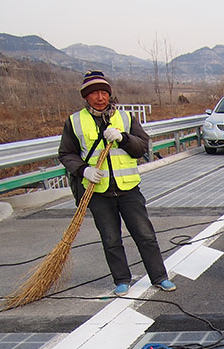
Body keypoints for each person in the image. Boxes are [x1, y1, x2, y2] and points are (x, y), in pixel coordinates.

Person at [58, 70, 176, 297]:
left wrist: (123, 138)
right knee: (110, 238)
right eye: (94, 93)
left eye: (104, 92)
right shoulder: (74, 122)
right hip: (98, 191)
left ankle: (159, 276)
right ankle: (121, 279)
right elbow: (66, 153)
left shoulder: (125, 118)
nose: (100, 97)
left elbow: (142, 147)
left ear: (109, 94)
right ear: (86, 96)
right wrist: (84, 170)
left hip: (128, 188)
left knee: (145, 234)